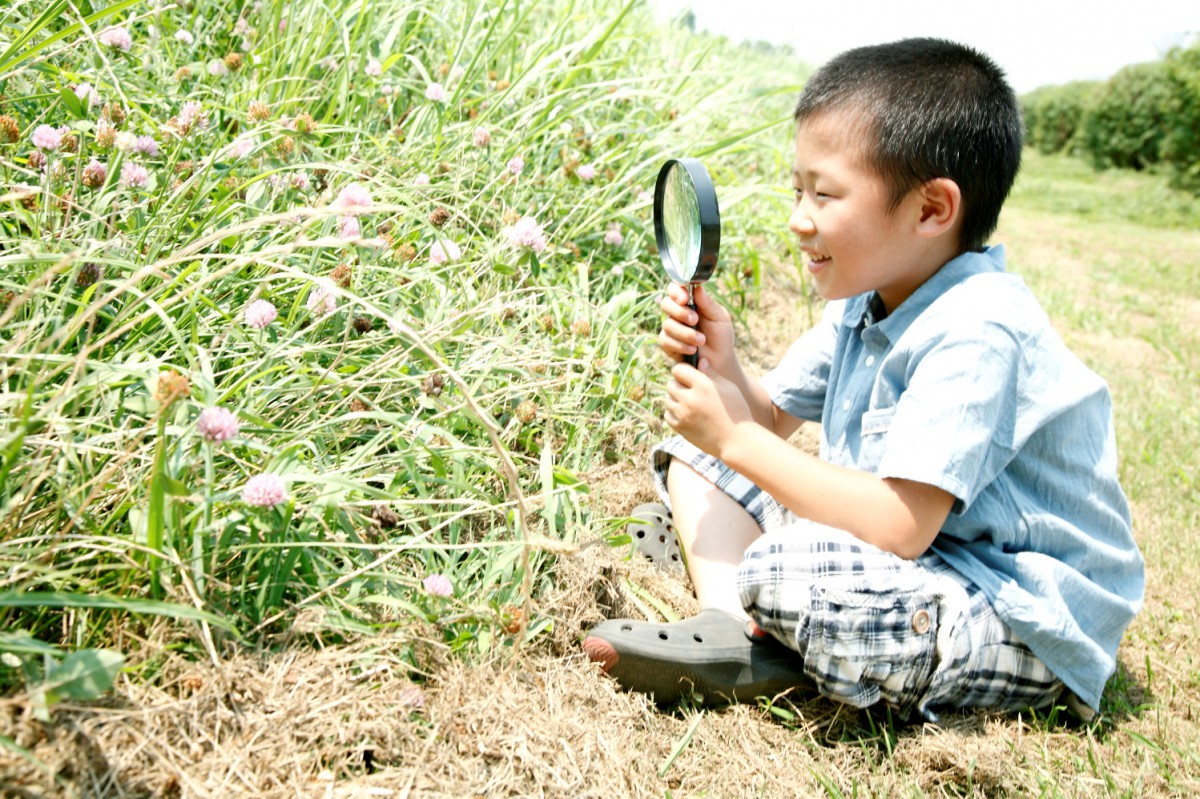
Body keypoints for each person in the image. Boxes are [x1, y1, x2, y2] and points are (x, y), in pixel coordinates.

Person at [583, 37, 1144, 722]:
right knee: (700, 455)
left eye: (824, 193)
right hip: (922, 553)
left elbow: (899, 524)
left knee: (780, 563)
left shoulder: (979, 327)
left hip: (1012, 607)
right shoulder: (870, 297)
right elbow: (767, 423)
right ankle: (732, 626)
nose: (798, 219)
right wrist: (724, 361)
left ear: (932, 209)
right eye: (797, 189)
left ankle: (752, 594)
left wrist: (736, 438)